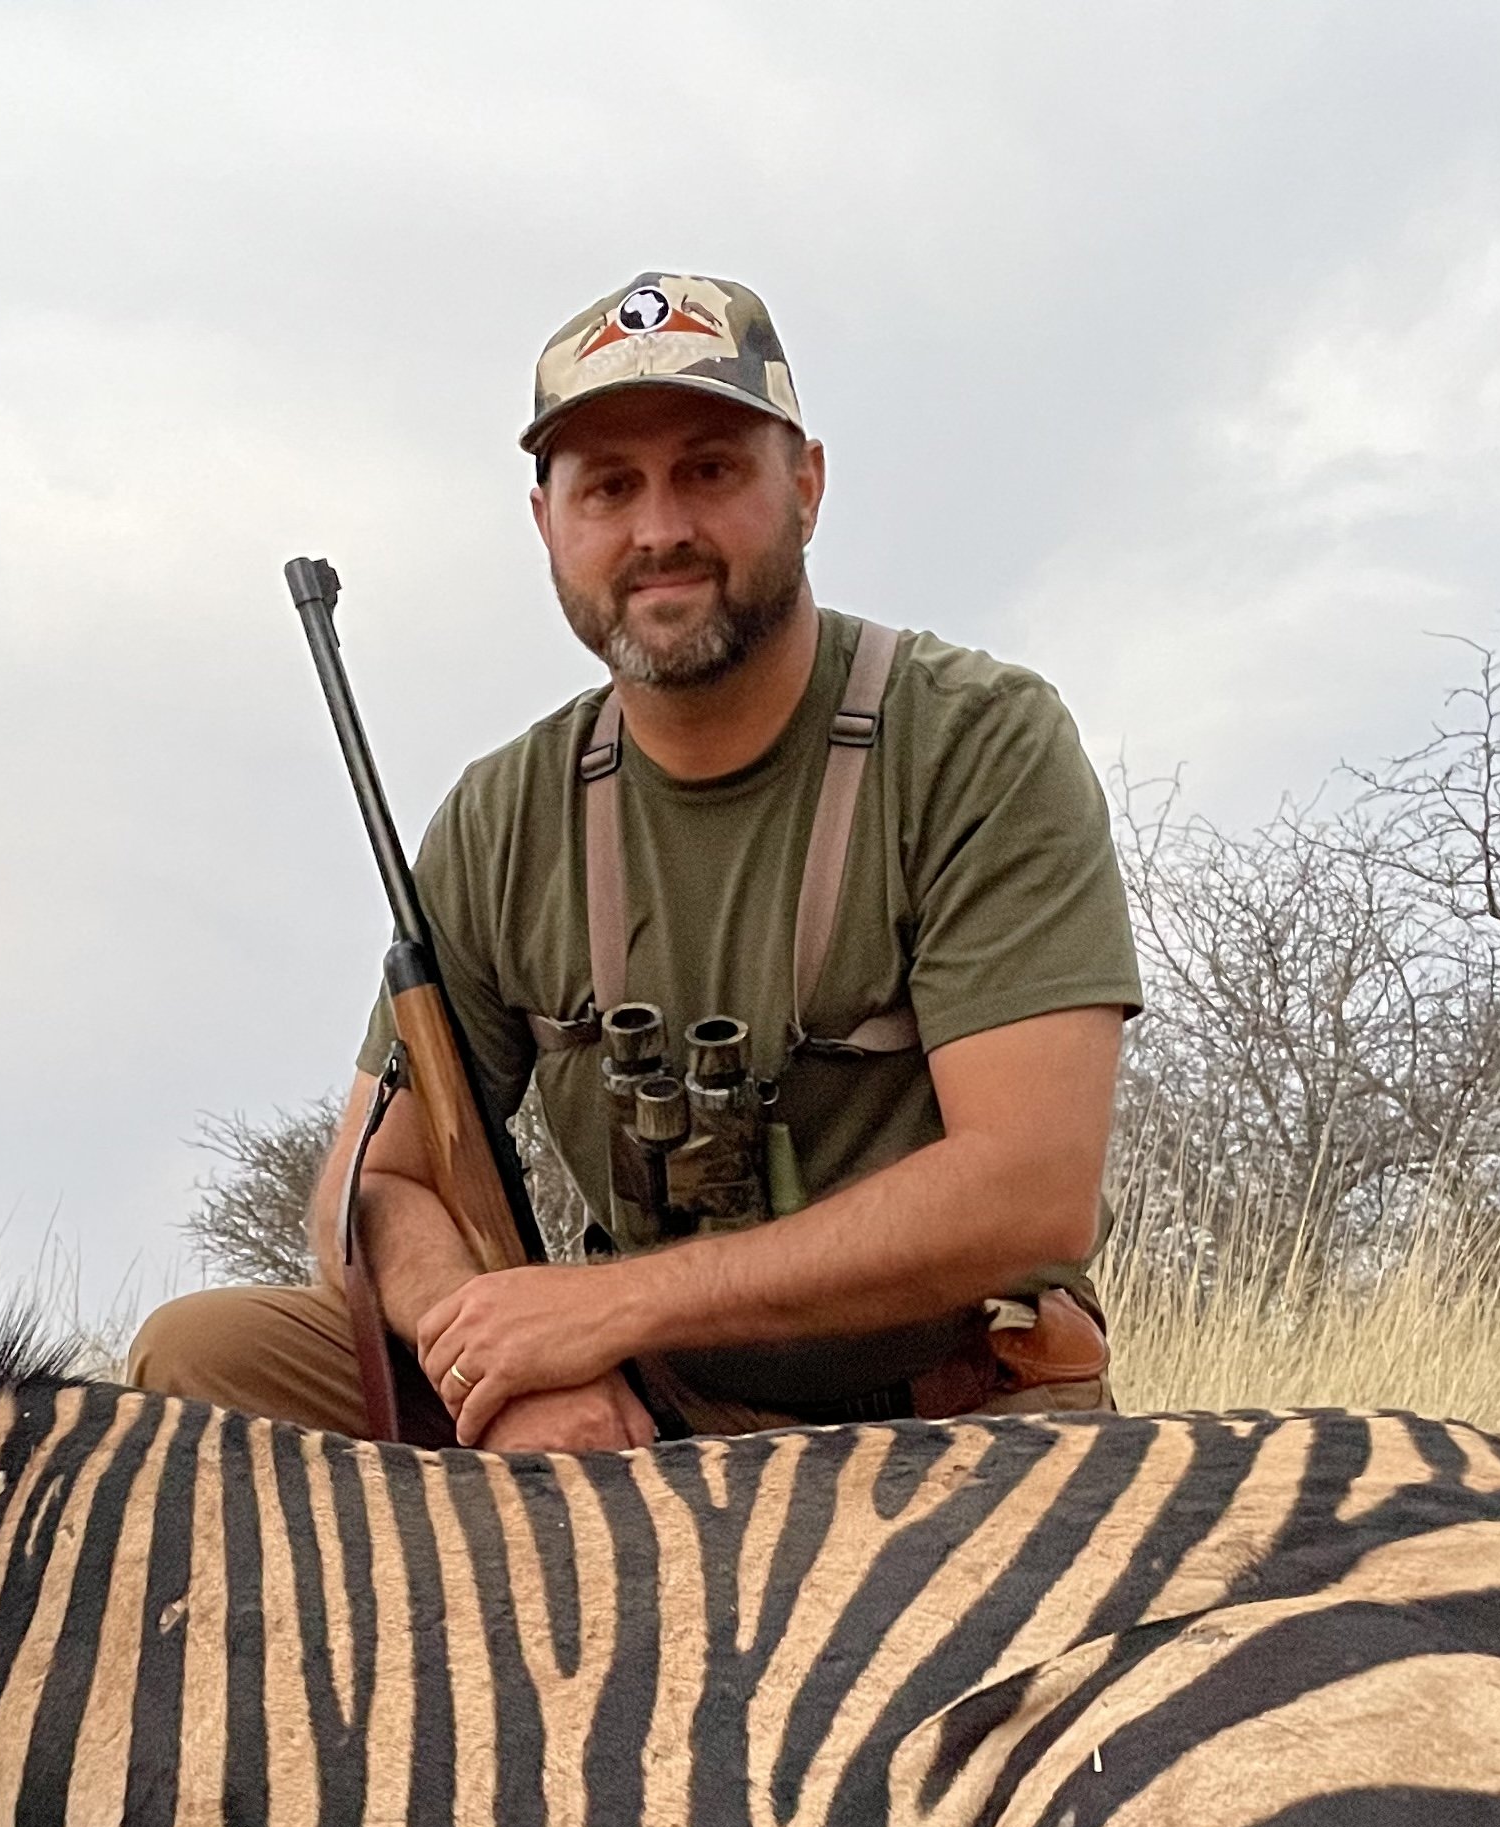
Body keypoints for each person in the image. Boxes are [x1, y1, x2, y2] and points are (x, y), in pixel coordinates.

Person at [130, 269, 1141, 1448]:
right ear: (547, 523)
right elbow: (376, 1185)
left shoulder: (979, 740)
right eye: (609, 486)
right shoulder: (504, 813)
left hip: (942, 1416)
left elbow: (1028, 1191)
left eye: (710, 470)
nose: (660, 530)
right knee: (201, 1358)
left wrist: (600, 1309)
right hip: (630, 1406)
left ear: (806, 486)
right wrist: (496, 1359)